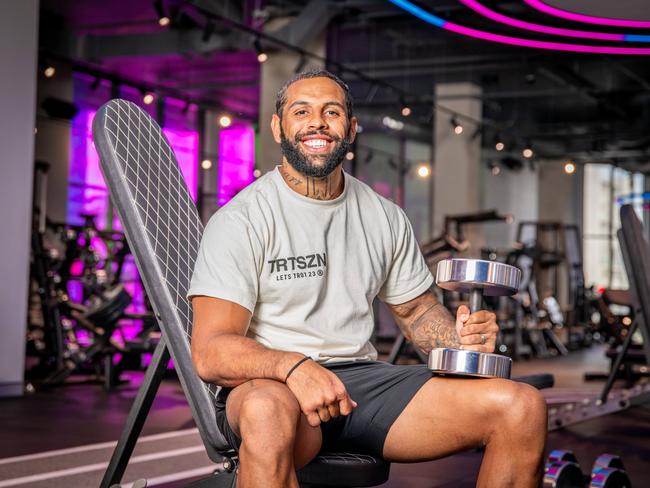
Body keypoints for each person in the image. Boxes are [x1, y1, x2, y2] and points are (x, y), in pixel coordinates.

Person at [188, 70, 547, 488]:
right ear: (278, 126)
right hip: (274, 387)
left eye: (332, 111)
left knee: (521, 406)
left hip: (362, 384)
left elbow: (417, 311)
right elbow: (211, 351)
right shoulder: (243, 219)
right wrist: (294, 368)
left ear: (351, 128)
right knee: (267, 411)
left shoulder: (383, 215)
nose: (317, 122)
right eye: (301, 111)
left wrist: (460, 343)